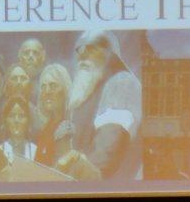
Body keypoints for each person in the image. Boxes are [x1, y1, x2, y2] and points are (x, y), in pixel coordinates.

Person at [56, 29, 143, 181]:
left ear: (110, 55)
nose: (83, 55)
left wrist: (85, 171)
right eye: (80, 50)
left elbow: (106, 153)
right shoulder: (83, 96)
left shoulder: (122, 82)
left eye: (91, 49)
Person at [33, 63, 72, 167]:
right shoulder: (46, 128)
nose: (47, 91)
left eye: (53, 86)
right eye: (43, 87)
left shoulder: (68, 128)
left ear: (65, 90)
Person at [0, 97, 36, 164]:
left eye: (21, 116)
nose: (16, 120)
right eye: (11, 116)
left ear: (28, 120)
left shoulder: (35, 151)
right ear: (5, 120)